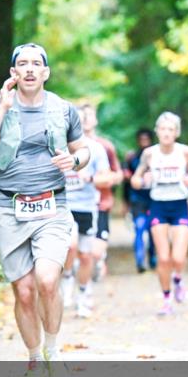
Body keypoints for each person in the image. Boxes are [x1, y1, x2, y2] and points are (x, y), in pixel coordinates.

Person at [0, 43, 88, 377]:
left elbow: (84, 149)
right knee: (23, 292)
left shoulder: (63, 109)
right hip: (10, 208)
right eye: (23, 64)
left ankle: (53, 350)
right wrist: (3, 109)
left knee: (48, 280)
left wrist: (75, 161)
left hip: (52, 206)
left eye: (37, 64)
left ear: (46, 72)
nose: (31, 69)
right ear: (13, 73)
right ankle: (34, 357)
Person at [131, 112, 188, 316]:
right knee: (163, 258)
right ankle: (166, 299)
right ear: (157, 132)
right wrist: (144, 179)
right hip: (158, 206)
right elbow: (135, 180)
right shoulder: (149, 154)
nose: (166, 133)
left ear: (176, 133)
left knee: (178, 258)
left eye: (171, 129)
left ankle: (178, 279)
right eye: (163, 129)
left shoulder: (185, 152)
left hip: (179, 205)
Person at [60, 105, 111, 319]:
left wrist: (89, 178)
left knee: (86, 255)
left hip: (88, 207)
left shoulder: (95, 148)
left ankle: (83, 296)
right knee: (70, 246)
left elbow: (106, 178)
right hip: (64, 206)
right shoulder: (58, 146)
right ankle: (67, 278)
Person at [87, 106, 123, 282]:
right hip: (73, 204)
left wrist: (103, 178)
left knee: (95, 250)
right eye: (82, 116)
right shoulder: (66, 145)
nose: (86, 119)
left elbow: (118, 174)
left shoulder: (105, 146)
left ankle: (98, 260)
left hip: (100, 203)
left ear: (95, 120)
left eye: (90, 115)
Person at [123, 128, 156, 273]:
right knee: (139, 228)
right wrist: (125, 202)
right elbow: (126, 182)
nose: (144, 142)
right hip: (137, 200)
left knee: (154, 230)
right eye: (141, 140)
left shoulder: (157, 157)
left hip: (155, 199)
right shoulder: (132, 158)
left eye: (146, 139)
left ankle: (153, 258)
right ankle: (140, 260)